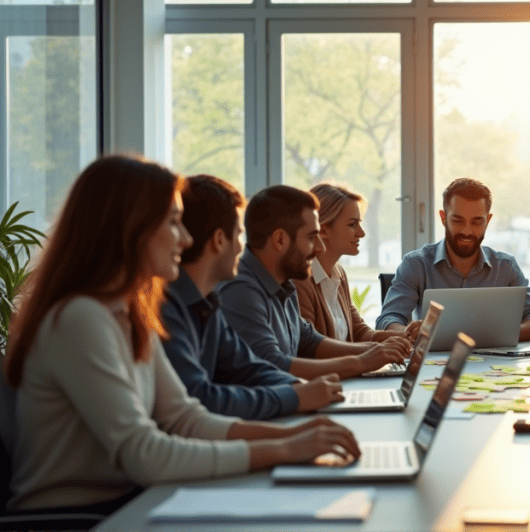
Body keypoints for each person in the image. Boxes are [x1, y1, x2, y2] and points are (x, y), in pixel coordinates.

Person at [4, 156, 360, 513]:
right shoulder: (79, 318)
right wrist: (284, 448)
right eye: (174, 223)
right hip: (77, 518)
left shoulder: (130, 313)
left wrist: (295, 435)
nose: (186, 238)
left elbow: (184, 418)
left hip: (130, 503)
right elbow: (145, 453)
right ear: (131, 228)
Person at [161, 175, 347, 420]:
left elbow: (248, 367)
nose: (242, 247)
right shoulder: (169, 307)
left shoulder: (209, 303)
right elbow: (200, 397)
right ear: (219, 240)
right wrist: (296, 396)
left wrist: (299, 388)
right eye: (239, 235)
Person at [219, 185, 409, 381]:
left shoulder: (284, 283)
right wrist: (361, 361)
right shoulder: (240, 289)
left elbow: (309, 340)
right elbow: (272, 365)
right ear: (280, 239)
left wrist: (377, 350)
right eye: (311, 237)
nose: (319, 247)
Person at [375, 178, 530, 340]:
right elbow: (389, 318)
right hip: (433, 365)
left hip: (496, 366)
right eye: (458, 221)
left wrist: (505, 335)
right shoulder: (415, 265)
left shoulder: (506, 267)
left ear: (488, 220)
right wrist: (408, 332)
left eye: (477, 222)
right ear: (443, 218)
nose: (467, 231)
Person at [295, 183, 409, 344]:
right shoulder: (299, 280)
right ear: (324, 230)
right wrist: (370, 355)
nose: (361, 233)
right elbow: (309, 349)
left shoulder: (338, 273)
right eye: (352, 224)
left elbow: (359, 331)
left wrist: (404, 336)